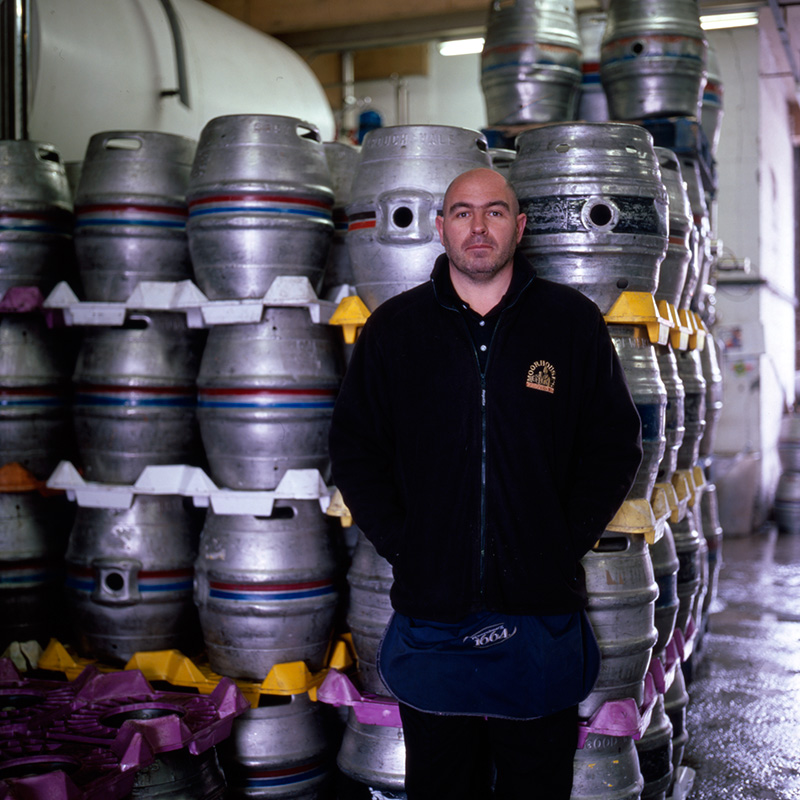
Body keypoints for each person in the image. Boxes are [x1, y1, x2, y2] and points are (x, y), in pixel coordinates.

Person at [329, 168, 643, 799]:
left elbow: (614, 446)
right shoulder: (396, 329)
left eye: (495, 212)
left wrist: (560, 539)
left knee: (535, 785)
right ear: (440, 228)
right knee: (444, 786)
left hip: (538, 612)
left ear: (520, 227)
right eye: (463, 213)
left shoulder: (569, 323)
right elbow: (355, 450)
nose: (479, 227)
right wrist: (406, 543)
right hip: (433, 613)